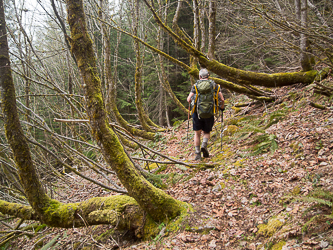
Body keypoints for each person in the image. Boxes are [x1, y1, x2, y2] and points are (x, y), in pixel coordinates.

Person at [187, 68, 224, 161]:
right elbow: (222, 99)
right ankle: (204, 145)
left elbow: (188, 99)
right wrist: (222, 107)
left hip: (197, 112)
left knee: (197, 133)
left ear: (199, 76)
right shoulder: (214, 85)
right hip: (210, 112)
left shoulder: (195, 86)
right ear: (208, 76)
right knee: (206, 132)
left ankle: (197, 154)